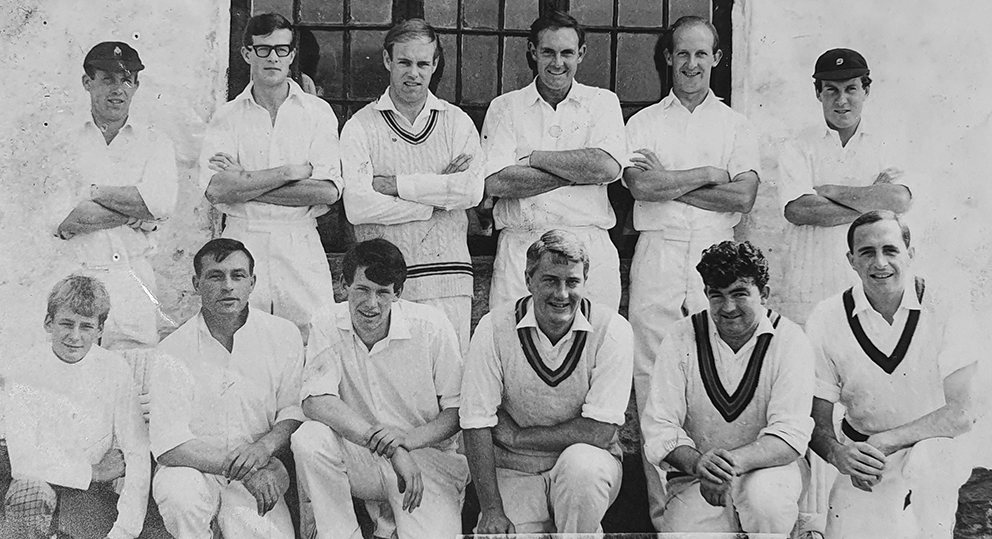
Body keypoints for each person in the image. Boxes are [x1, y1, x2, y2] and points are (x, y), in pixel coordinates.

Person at [623, 16, 761, 528]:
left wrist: (670, 182)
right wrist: (707, 174)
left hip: (715, 253)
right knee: (651, 376)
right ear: (667, 58)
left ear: (717, 59)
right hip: (657, 251)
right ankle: (667, 516)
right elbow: (639, 186)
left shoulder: (736, 126)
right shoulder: (643, 123)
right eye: (682, 54)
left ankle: (722, 508)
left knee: (719, 370)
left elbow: (742, 196)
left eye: (702, 54)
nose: (691, 64)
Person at [806, 211, 977, 539]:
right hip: (868, 458)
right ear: (851, 260)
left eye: (891, 250)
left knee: (930, 480)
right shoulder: (826, 317)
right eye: (867, 252)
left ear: (910, 254)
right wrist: (840, 454)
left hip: (934, 448)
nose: (879, 262)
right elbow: (819, 423)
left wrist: (887, 439)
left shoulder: (946, 303)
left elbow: (962, 413)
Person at [292, 239, 468, 539]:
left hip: (424, 461)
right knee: (309, 438)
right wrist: (393, 449)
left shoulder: (431, 326)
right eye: (362, 289)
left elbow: (457, 410)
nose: (371, 304)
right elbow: (315, 401)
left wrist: (408, 441)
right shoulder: (326, 322)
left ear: (398, 293)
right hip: (362, 458)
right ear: (343, 285)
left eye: (382, 293)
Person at [460, 230, 633, 534]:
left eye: (572, 282)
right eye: (551, 280)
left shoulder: (612, 329)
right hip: (513, 470)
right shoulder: (494, 326)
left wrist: (517, 438)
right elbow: (475, 421)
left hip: (583, 467)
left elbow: (599, 432)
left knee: (584, 469)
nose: (562, 294)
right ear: (529, 278)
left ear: (585, 280)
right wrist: (492, 510)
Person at [640, 240, 814, 534]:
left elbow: (790, 434)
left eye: (740, 294)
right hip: (698, 476)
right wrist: (699, 465)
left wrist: (725, 465)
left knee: (766, 503)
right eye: (717, 295)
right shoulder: (682, 336)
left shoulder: (790, 339)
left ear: (764, 294)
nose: (728, 307)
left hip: (769, 472)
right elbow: (660, 428)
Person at [341, 19, 483, 357]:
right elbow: (358, 206)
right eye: (404, 62)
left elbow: (471, 191)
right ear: (388, 61)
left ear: (434, 65)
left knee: (447, 390)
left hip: (448, 279)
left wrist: (394, 185)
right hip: (383, 285)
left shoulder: (456, 122)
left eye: (422, 63)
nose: (413, 73)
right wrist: (434, 200)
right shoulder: (360, 126)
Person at [200, 12, 342, 341]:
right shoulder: (227, 116)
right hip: (242, 241)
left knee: (315, 340)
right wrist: (289, 173)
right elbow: (216, 188)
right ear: (247, 53)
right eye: (263, 49)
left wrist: (245, 185)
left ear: (292, 55)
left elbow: (325, 192)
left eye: (281, 49)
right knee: (242, 339)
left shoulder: (317, 113)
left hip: (300, 242)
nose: (272, 58)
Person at [151, 239, 303, 538]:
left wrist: (263, 448)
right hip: (195, 470)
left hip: (261, 467)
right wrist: (245, 469)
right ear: (197, 283)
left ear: (252, 282)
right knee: (181, 496)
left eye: (238, 275)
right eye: (216, 276)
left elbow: (292, 410)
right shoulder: (172, 350)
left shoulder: (283, 335)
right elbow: (169, 446)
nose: (228, 286)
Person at [480, 12, 626, 311]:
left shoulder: (602, 102)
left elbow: (608, 167)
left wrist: (534, 158)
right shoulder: (506, 107)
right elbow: (497, 181)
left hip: (588, 242)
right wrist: (581, 173)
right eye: (548, 52)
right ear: (533, 52)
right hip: (522, 245)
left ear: (581, 54)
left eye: (567, 53)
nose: (557, 63)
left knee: (594, 346)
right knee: (516, 344)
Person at [1, 275, 149, 539]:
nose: (75, 337)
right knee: (30, 493)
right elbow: (23, 462)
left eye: (86, 327)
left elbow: (136, 452)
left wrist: (126, 529)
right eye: (66, 324)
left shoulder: (115, 370)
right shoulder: (25, 369)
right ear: (49, 323)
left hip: (87, 496)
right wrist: (94, 472)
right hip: (37, 487)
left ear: (100, 330)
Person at [53, 41, 178, 350]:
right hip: (76, 275)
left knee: (134, 376)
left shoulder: (155, 142)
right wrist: (138, 213)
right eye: (107, 79)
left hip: (133, 278)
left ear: (136, 85)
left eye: (126, 80)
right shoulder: (62, 142)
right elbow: (67, 218)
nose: (117, 89)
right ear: (88, 82)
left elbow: (160, 203)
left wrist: (94, 194)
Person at [777, 48, 912, 325]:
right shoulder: (798, 146)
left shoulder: (887, 141)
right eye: (831, 90)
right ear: (818, 93)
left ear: (866, 90)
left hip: (870, 287)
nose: (841, 100)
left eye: (851, 89)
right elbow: (799, 211)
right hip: (809, 286)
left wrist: (829, 191)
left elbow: (898, 200)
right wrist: (873, 201)